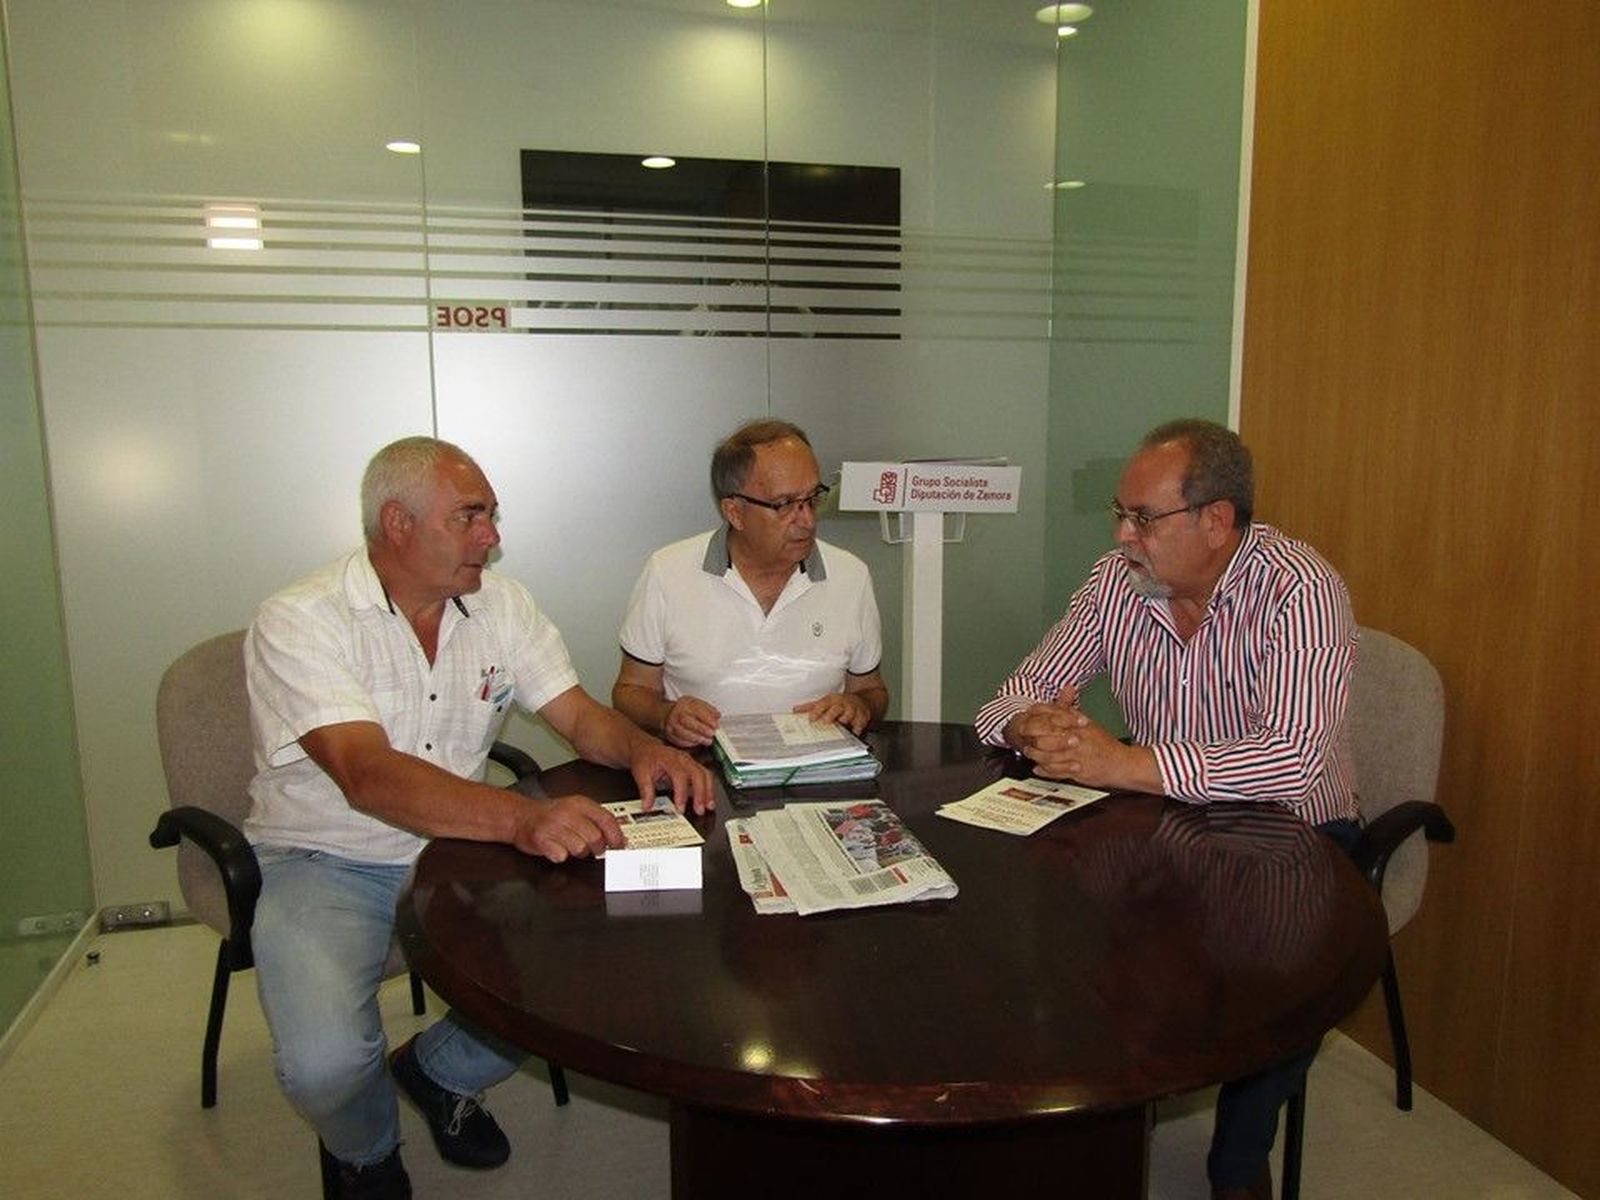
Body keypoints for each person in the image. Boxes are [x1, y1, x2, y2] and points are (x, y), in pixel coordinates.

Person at [243, 435, 714, 1200]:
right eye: (471, 516)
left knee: (611, 965)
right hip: (325, 854)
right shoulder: (301, 618)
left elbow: (576, 714)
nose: (492, 536)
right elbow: (366, 775)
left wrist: (640, 750)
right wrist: (521, 821)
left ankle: (434, 1072)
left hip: (459, 849)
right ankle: (363, 1151)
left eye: (492, 516)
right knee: (325, 1063)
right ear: (397, 523)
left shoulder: (503, 605)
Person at [974, 418, 1359, 1200]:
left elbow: (1293, 757)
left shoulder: (1299, 588)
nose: (1123, 536)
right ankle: (1092, 1135)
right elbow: (1011, 694)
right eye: (1120, 515)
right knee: (1072, 947)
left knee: (1275, 998)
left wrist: (1124, 763)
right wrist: (1029, 721)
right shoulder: (1118, 581)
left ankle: (1239, 1164)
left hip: (1294, 834)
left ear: (1216, 522)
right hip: (1163, 821)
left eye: (1142, 519)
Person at [612, 418, 888, 748]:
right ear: (734, 512)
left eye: (813, 498)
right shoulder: (667, 573)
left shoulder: (850, 576)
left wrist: (860, 706)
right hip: (702, 769)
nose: (808, 520)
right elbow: (630, 691)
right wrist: (665, 715)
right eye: (785, 504)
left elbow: (871, 690)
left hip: (817, 769)